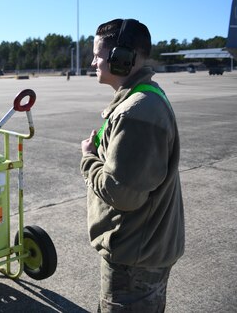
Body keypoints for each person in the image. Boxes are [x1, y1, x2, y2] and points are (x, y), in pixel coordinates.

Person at [80, 18, 185, 312]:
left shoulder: (137, 112)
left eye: (98, 55)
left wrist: (88, 158)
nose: (92, 63)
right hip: (140, 249)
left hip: (135, 260)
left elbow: (123, 193)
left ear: (122, 58)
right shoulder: (141, 101)